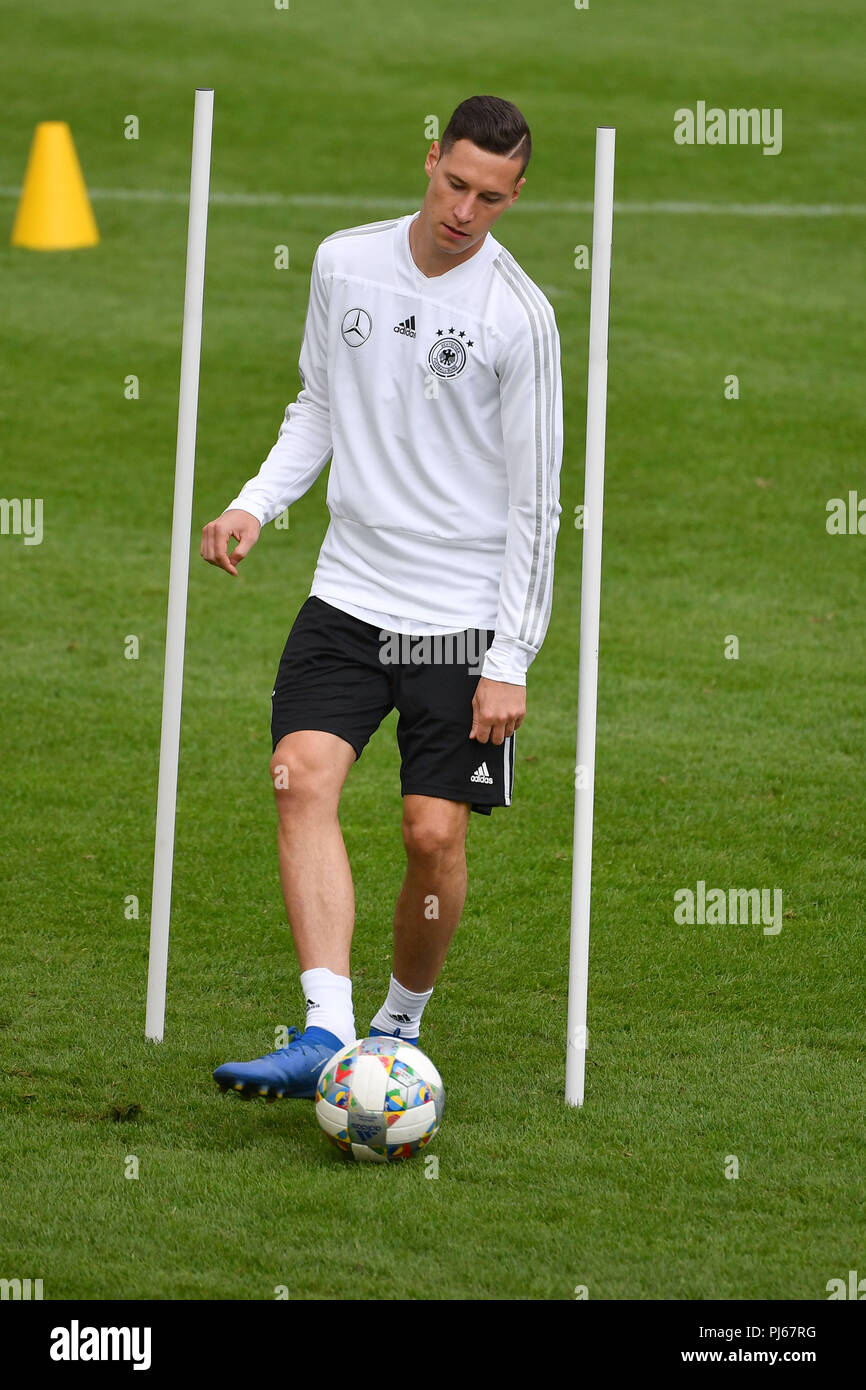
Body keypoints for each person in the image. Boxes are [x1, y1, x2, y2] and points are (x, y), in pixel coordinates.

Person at [202, 94, 563, 1099]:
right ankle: (322, 1028)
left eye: (491, 198)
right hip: (349, 590)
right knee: (299, 776)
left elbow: (537, 504)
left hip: (457, 613)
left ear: (513, 196)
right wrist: (252, 505)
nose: (464, 211)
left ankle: (395, 1028)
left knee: (429, 834)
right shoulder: (342, 262)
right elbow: (318, 403)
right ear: (429, 162)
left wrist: (508, 659)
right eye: (454, 184)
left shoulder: (518, 319)